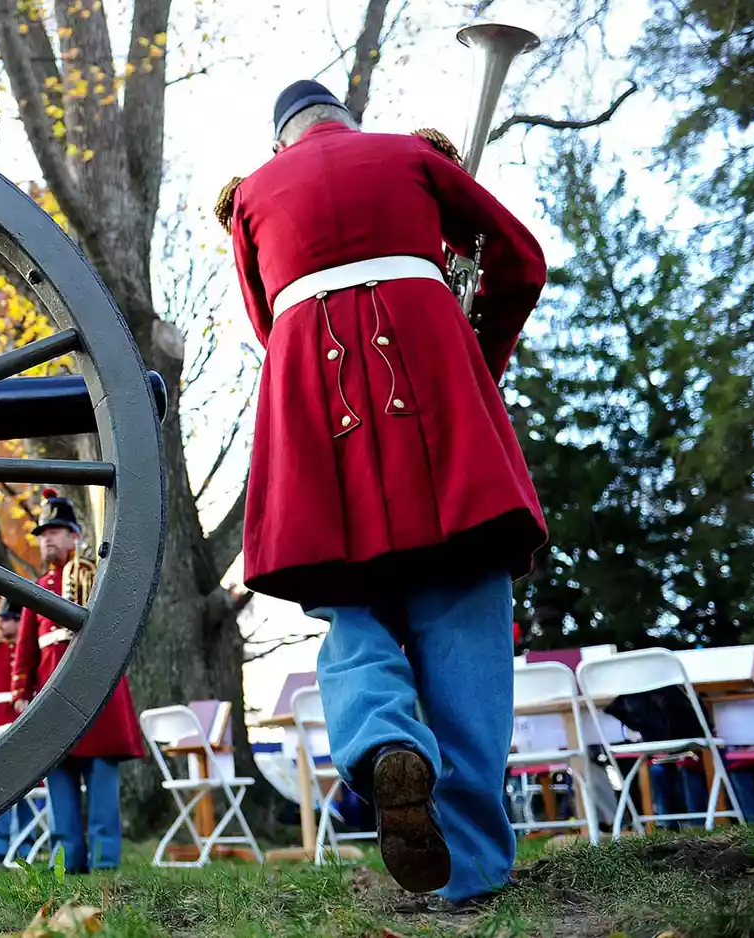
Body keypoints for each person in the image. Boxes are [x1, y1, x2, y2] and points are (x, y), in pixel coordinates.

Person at [223, 81, 548, 908]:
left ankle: (384, 741)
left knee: (353, 609)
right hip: (435, 398)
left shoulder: (253, 197)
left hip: (320, 417)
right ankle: (471, 867)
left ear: (280, 138)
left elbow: (269, 324)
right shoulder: (409, 152)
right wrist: (476, 347)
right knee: (466, 613)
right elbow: (520, 261)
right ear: (345, 121)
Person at [12, 489, 145, 873]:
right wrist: (21, 692)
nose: (48, 538)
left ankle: (105, 864)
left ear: (75, 536)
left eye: (56, 530)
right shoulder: (36, 588)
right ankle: (65, 864)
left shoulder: (97, 576)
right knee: (60, 783)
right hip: (52, 694)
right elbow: (26, 650)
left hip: (97, 695)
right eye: (44, 533)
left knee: (102, 782)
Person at [0, 599, 35, 864]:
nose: (1, 623)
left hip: (23, 720)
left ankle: (25, 844)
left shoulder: (29, 649)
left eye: (6, 618)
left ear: (18, 620)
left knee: (28, 786)